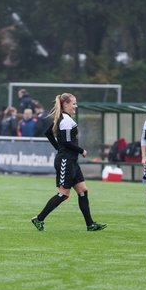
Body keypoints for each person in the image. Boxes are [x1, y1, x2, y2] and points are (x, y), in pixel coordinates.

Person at [31, 93, 108, 231]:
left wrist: (59, 148)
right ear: (65, 104)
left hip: (71, 161)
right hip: (66, 161)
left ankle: (90, 225)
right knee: (64, 194)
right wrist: (81, 150)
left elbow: (49, 134)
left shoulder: (63, 118)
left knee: (83, 190)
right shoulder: (65, 120)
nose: (75, 106)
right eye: (73, 104)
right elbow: (66, 142)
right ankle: (39, 218)